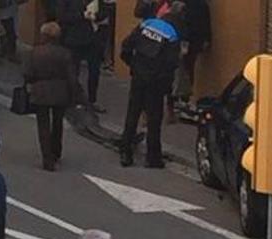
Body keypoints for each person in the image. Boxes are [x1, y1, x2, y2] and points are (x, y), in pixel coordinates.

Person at [118, 2, 183, 168]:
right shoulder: (172, 35)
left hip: (139, 77)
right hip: (156, 82)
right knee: (154, 120)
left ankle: (125, 152)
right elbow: (171, 64)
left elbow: (126, 47)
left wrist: (133, 65)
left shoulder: (147, 25)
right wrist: (164, 85)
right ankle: (153, 157)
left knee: (132, 114)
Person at [25, 22, 77, 171]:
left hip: (41, 91)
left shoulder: (35, 52)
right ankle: (56, 151)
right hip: (61, 91)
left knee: (43, 125)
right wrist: (75, 95)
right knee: (58, 122)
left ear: (44, 35)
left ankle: (47, 158)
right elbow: (72, 77)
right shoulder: (65, 53)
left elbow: (28, 74)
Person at [55, 0, 105, 113]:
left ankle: (92, 100)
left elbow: (104, 11)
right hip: (74, 39)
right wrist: (82, 15)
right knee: (73, 72)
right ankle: (74, 100)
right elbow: (61, 16)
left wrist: (96, 16)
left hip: (93, 39)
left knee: (94, 71)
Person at [171, 0, 210, 116]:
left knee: (182, 70)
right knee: (187, 69)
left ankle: (179, 99)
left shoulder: (187, 4)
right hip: (190, 41)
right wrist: (207, 39)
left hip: (185, 41)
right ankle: (182, 99)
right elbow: (206, 23)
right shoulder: (199, 4)